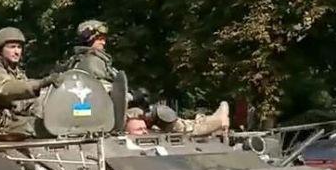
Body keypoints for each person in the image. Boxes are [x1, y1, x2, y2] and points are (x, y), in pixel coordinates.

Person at [68, 19, 229, 136]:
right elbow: (102, 94)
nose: (104, 42)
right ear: (89, 39)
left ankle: (206, 125)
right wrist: (132, 96)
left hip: (98, 116)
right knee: (158, 112)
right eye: (99, 38)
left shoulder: (83, 60)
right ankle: (201, 127)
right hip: (104, 117)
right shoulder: (92, 62)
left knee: (145, 113)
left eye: (104, 38)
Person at [0, 27, 51, 140]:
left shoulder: (15, 71)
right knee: (41, 127)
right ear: (0, 49)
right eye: (12, 47)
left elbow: (25, 99)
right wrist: (41, 83)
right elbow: (5, 88)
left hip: (7, 119)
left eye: (19, 47)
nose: (17, 52)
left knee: (49, 120)